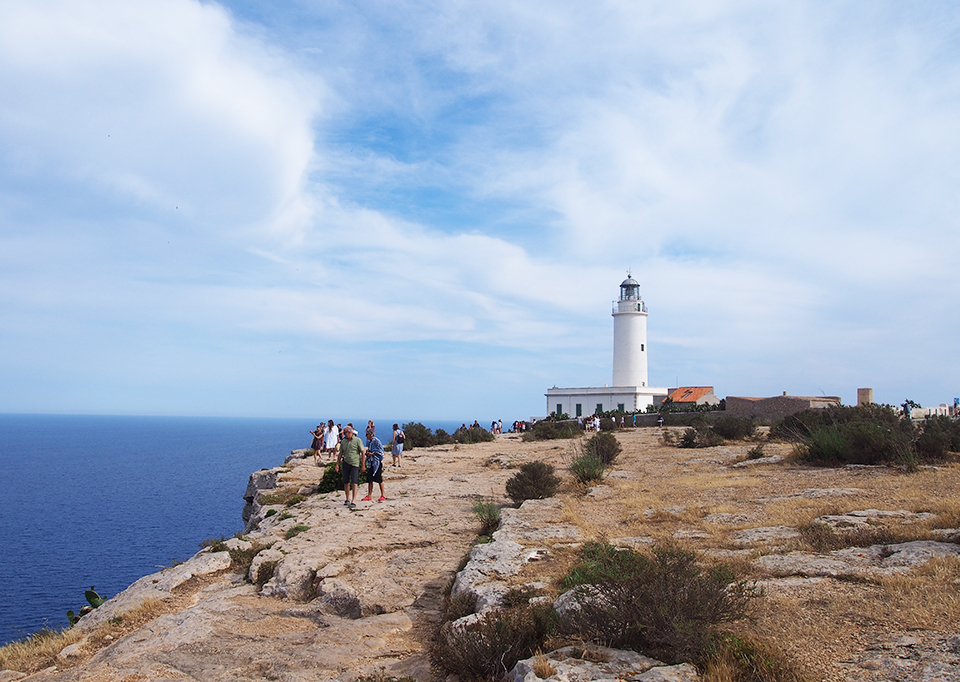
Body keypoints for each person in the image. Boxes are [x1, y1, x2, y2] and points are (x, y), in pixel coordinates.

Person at [335, 426, 365, 509]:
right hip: (346, 463)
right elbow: (341, 453)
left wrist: (363, 465)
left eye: (345, 433)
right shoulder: (343, 441)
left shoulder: (357, 440)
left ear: (350, 432)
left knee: (354, 482)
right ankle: (347, 498)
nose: (344, 435)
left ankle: (353, 500)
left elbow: (363, 452)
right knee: (346, 481)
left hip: (355, 464)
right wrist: (337, 464)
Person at [361, 431, 386, 502]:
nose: (366, 436)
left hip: (376, 463)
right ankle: (369, 495)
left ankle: (383, 495)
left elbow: (381, 452)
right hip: (370, 463)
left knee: (379, 479)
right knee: (370, 479)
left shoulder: (376, 441)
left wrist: (372, 454)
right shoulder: (369, 442)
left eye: (367, 434)